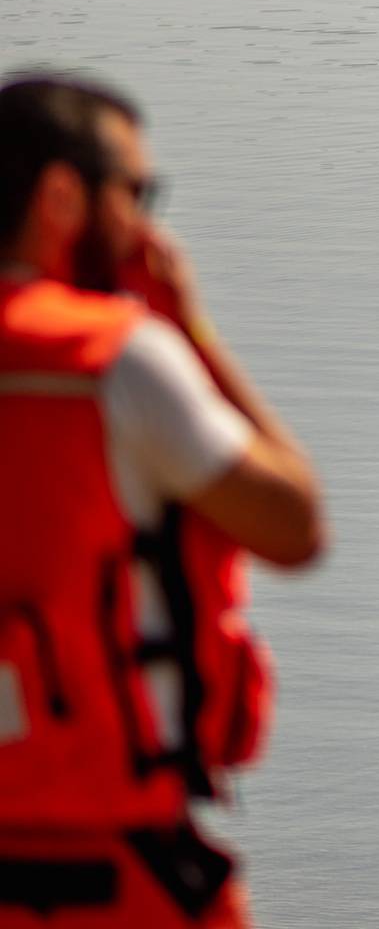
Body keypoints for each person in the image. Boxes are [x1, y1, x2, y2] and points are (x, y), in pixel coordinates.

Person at [0, 75, 324, 929]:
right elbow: (294, 525)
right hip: (112, 866)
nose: (146, 222)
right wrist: (192, 330)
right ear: (63, 198)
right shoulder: (118, 359)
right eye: (136, 194)